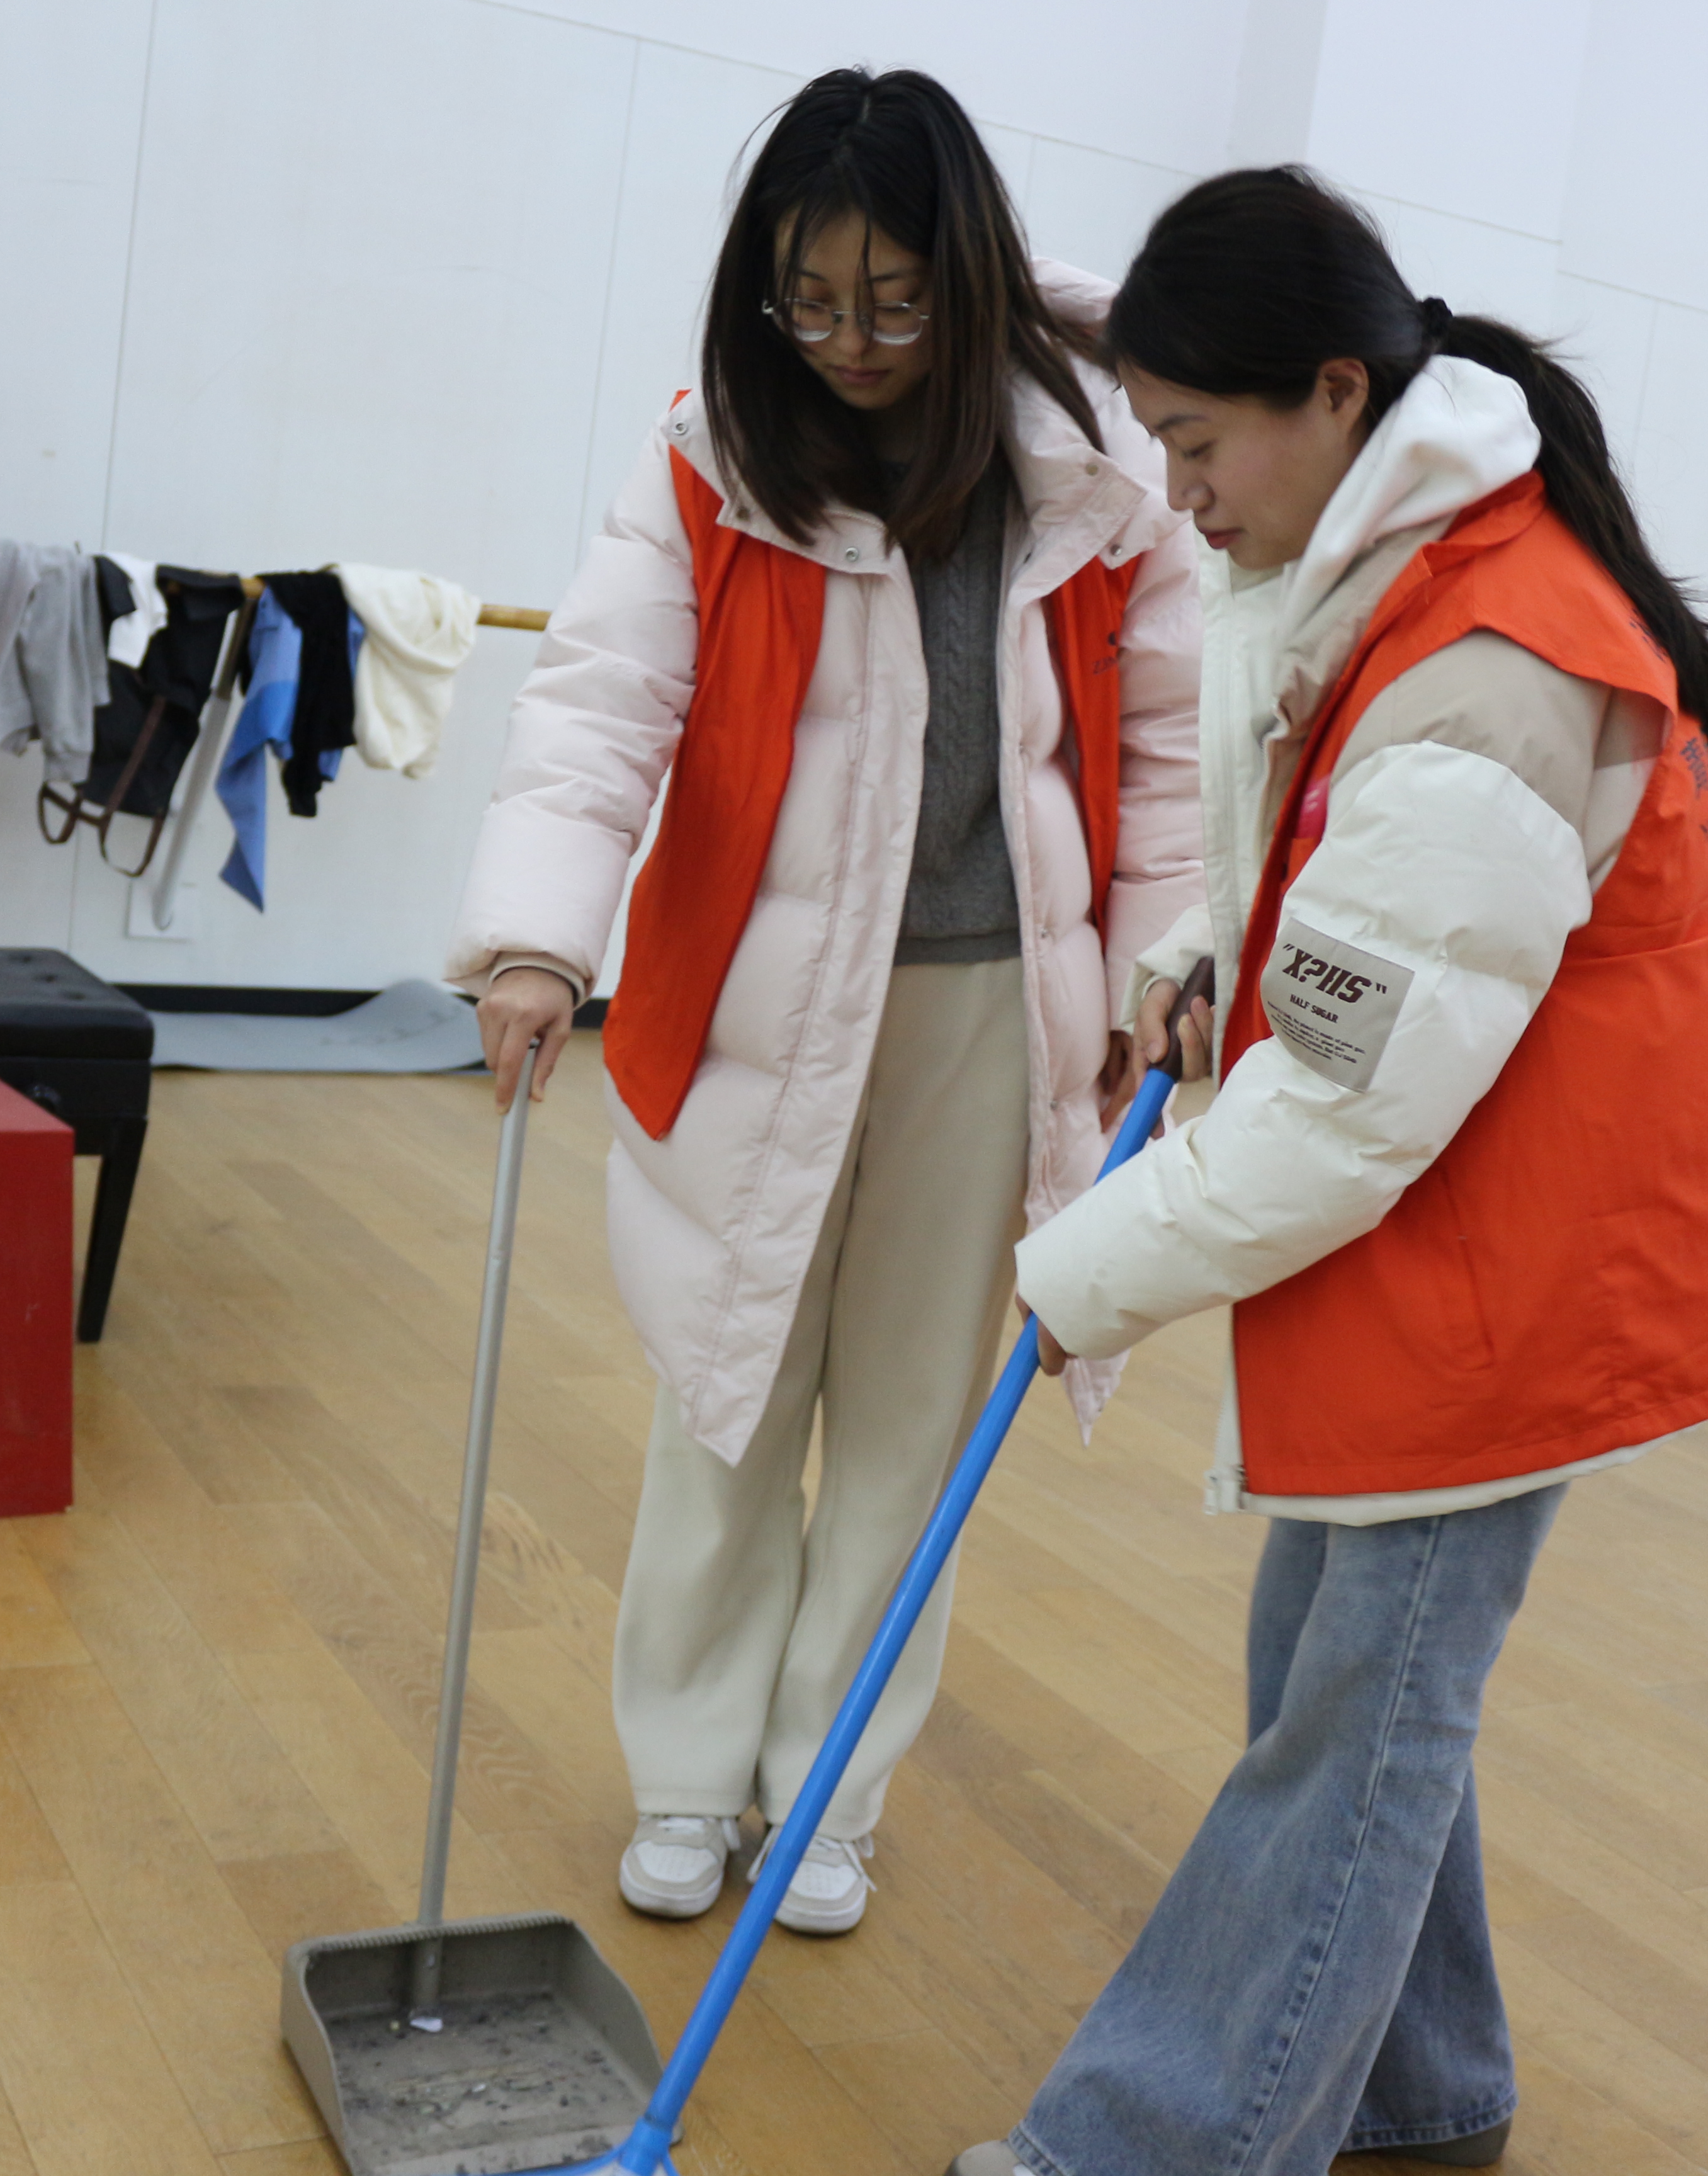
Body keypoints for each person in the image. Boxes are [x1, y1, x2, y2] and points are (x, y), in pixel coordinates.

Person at [956, 168, 1708, 2176]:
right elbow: (1355, 870)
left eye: (1194, 442)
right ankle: (1424, 2093)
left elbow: (1344, 1111)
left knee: (1361, 1705)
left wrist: (1081, 1268)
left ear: (1336, 391)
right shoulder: (1410, 556)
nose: (1178, 497)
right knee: (1338, 1665)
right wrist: (1209, 945)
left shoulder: (1486, 669)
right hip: (1478, 1197)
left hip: (1526, 1249)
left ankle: (1147, 2147)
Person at [448, 69, 1201, 1938]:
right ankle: (687, 1776)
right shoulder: (714, 455)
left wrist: (1169, 965)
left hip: (989, 1006)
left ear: (967, 280)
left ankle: (827, 1792)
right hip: (756, 1000)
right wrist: (537, 937)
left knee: (906, 1431)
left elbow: (1174, 746)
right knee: (727, 1389)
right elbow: (600, 703)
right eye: (809, 301)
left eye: (894, 302)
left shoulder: (1093, 468)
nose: (850, 342)